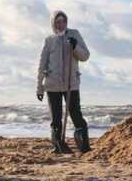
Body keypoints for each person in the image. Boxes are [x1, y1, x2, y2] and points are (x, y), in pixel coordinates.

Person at [36, 10, 91, 154]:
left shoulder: (74, 34)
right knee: (56, 118)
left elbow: (85, 56)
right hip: (52, 85)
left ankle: (84, 146)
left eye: (63, 21)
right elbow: (42, 64)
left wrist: (75, 46)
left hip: (70, 84)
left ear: (66, 22)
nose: (60, 25)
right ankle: (59, 146)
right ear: (53, 24)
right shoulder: (49, 40)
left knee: (75, 114)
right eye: (57, 22)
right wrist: (39, 87)